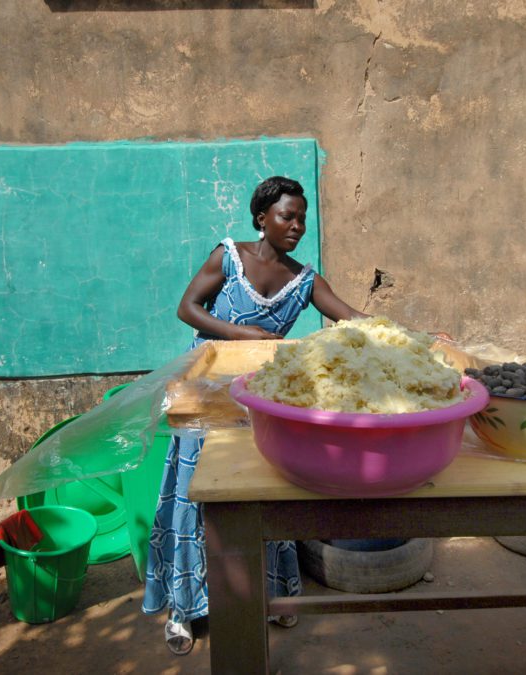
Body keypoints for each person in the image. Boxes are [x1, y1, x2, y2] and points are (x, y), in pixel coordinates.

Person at [141, 176, 368, 655]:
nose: (297, 226)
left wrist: (415, 337)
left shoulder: (303, 280)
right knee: (195, 495)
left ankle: (274, 592)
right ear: (262, 218)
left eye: (303, 218)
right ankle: (185, 608)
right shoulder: (229, 257)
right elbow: (188, 308)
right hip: (205, 391)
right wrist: (240, 337)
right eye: (288, 216)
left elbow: (354, 320)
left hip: (258, 399)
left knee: (258, 491)